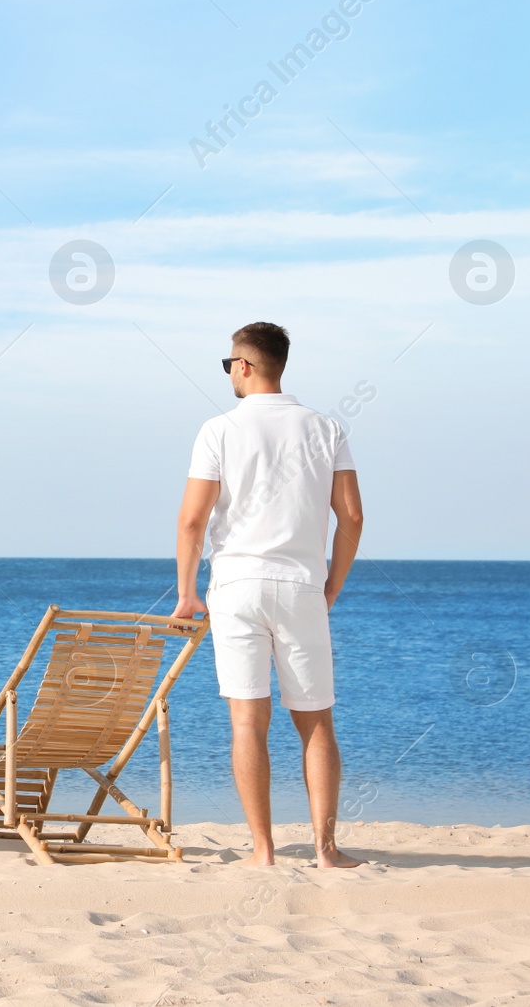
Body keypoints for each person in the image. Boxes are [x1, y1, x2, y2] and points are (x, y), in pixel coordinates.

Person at [171, 323, 364, 868]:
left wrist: (187, 594)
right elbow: (350, 515)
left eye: (229, 362)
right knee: (316, 722)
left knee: (246, 723)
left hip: (235, 586)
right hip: (301, 585)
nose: (229, 371)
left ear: (246, 366)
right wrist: (332, 585)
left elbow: (192, 521)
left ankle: (263, 850)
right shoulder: (326, 428)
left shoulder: (219, 430)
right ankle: (326, 850)